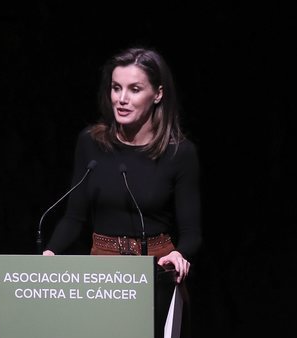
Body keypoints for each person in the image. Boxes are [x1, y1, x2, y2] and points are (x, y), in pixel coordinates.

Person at [42, 46, 201, 283]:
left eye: (134, 89)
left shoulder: (179, 152)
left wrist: (179, 254)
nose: (122, 99)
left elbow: (192, 234)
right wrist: (49, 253)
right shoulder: (90, 143)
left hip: (156, 266)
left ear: (158, 94)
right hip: (102, 268)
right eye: (116, 88)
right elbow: (75, 217)